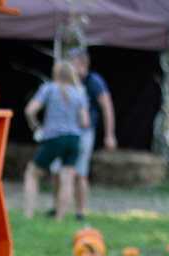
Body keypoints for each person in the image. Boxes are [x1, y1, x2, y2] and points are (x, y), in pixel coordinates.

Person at [48, 49, 117, 220]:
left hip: (83, 133)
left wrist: (110, 134)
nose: (70, 66)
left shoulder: (94, 82)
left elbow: (106, 107)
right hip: (62, 133)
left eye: (73, 63)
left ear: (84, 64)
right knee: (56, 171)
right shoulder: (63, 82)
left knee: (80, 174)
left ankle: (79, 212)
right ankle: (58, 208)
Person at [23, 60, 89, 221]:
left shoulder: (49, 89)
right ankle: (59, 218)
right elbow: (85, 121)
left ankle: (28, 214)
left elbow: (30, 110)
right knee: (67, 179)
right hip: (73, 139)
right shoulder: (79, 93)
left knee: (32, 174)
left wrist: (34, 124)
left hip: (54, 138)